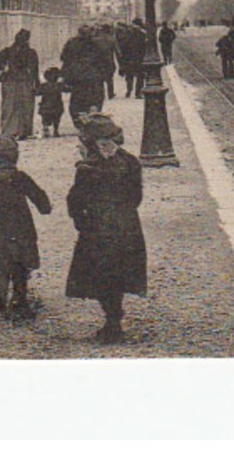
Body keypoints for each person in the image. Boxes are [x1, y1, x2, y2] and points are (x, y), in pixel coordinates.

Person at [65, 114, 147, 345]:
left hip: (97, 229)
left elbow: (76, 199)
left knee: (101, 275)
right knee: (118, 273)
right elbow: (136, 197)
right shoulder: (131, 162)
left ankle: (112, 320)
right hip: (126, 227)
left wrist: (80, 221)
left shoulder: (88, 168)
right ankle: (114, 317)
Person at [0, 135, 52, 318]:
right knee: (20, 262)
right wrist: (45, 207)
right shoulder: (18, 177)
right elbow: (38, 197)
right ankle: (18, 298)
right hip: (20, 229)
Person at [0, 29, 39, 140]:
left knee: (9, 106)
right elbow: (34, 70)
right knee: (25, 106)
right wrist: (36, 83)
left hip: (10, 81)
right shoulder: (31, 52)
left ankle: (8, 130)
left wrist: (5, 68)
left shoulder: (6, 51)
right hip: (25, 81)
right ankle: (23, 131)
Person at [60, 25, 107, 127]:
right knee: (95, 100)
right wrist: (104, 75)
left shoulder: (72, 43)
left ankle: (79, 122)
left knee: (77, 101)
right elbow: (104, 61)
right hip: (93, 77)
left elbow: (64, 58)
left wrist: (65, 75)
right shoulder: (97, 45)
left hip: (77, 77)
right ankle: (92, 120)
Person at [115, 20, 146, 98]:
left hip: (128, 58)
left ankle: (129, 90)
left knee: (129, 76)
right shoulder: (142, 34)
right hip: (139, 58)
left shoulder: (127, 34)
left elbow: (122, 46)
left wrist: (123, 59)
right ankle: (138, 92)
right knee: (140, 76)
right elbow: (145, 47)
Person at [93, 23, 120, 100]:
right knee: (109, 78)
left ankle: (101, 94)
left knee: (99, 79)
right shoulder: (111, 39)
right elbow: (118, 52)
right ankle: (110, 93)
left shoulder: (95, 40)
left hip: (98, 62)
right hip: (109, 61)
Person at [38, 65, 66, 137]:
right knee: (56, 118)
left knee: (45, 119)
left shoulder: (44, 86)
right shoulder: (59, 85)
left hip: (45, 106)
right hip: (57, 105)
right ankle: (55, 130)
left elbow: (37, 92)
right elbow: (66, 89)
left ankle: (46, 129)